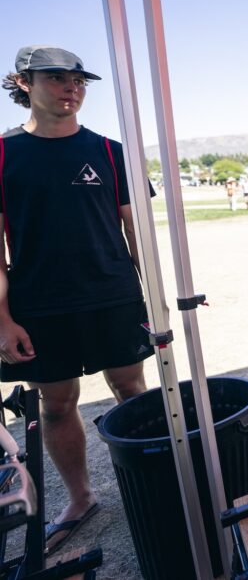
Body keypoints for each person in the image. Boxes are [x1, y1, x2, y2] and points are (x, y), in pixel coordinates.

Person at [0, 46, 154, 554]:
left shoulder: (110, 151)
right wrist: (2, 320)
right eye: (57, 78)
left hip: (112, 296)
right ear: (24, 82)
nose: (72, 88)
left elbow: (139, 235)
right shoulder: (2, 155)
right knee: (57, 404)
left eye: (79, 80)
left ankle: (155, 483)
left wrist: (154, 298)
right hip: (40, 305)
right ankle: (81, 499)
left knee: (132, 390)